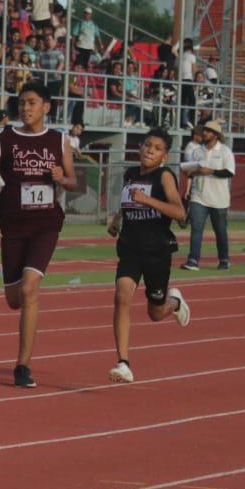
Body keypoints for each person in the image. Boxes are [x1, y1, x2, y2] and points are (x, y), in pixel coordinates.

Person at [0, 82, 78, 388]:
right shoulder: (5, 138)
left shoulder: (59, 141)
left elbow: (74, 182)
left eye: (32, 102)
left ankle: (22, 365)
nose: (25, 108)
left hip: (46, 223)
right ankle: (12, 275)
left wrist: (63, 178)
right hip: (13, 223)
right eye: (21, 103)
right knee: (13, 300)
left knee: (30, 288)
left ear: (46, 107)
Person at [107, 127, 191, 383]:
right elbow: (128, 201)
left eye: (156, 148)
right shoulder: (131, 174)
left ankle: (174, 302)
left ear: (164, 155)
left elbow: (179, 213)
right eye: (146, 145)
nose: (149, 150)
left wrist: (148, 200)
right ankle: (123, 363)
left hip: (157, 249)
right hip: (130, 246)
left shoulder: (164, 176)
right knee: (122, 296)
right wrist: (117, 219)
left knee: (155, 313)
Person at [180, 119, 236, 272]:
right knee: (196, 229)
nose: (204, 133)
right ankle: (193, 260)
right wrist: (189, 182)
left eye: (208, 131)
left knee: (220, 231)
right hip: (199, 196)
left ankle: (224, 260)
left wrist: (210, 171)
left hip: (219, 199)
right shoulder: (197, 151)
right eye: (204, 130)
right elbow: (191, 171)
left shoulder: (225, 151)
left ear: (216, 135)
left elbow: (230, 172)